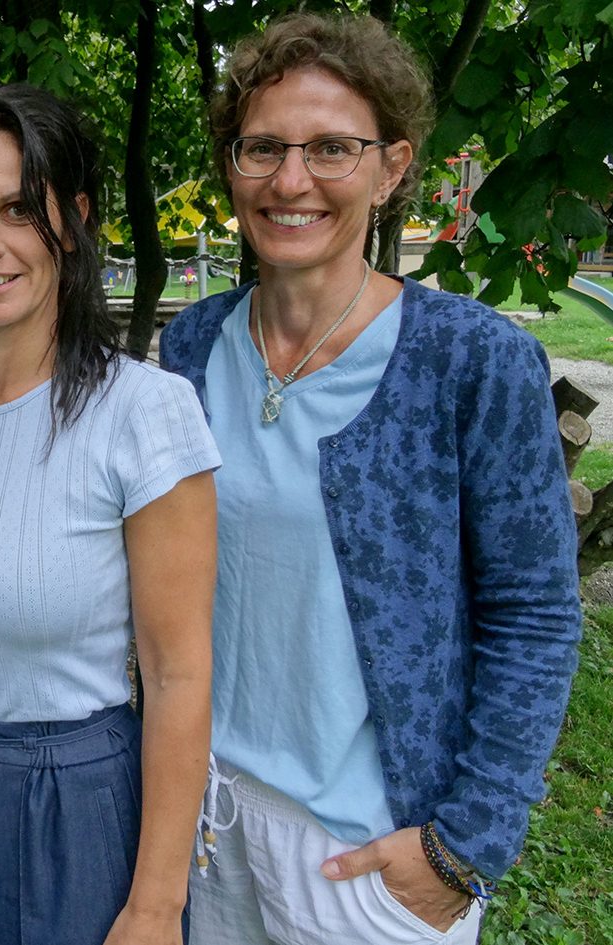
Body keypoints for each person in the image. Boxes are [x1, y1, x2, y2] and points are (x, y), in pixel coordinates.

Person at [160, 13, 582, 945]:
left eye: (331, 149)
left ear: (392, 168)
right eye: (261, 147)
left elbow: (536, 613)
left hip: (365, 860)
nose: (290, 178)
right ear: (231, 164)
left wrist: (460, 848)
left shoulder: (470, 362)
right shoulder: (188, 348)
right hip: (205, 826)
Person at [0, 83, 220, 945]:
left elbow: (178, 675)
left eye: (20, 209)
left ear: (74, 218)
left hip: (69, 804)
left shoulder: (144, 412)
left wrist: (154, 905)